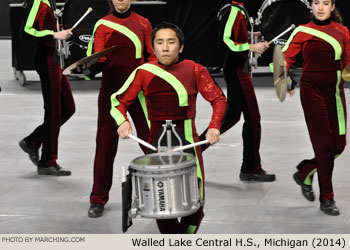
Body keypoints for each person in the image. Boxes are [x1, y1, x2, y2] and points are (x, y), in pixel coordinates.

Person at [112, 22, 227, 233]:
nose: (165, 48)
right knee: (161, 205)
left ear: (181, 47)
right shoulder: (143, 72)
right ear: (153, 47)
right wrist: (123, 121)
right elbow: (117, 101)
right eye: (160, 43)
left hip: (190, 145)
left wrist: (214, 126)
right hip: (155, 148)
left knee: (197, 204)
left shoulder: (194, 69)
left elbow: (218, 99)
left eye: (171, 42)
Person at [86, 0, 156, 218]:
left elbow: (152, 56)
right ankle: (98, 197)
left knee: (150, 141)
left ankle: (161, 191)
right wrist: (93, 67)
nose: (121, 0)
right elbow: (95, 57)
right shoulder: (102, 24)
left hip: (138, 91)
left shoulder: (143, 23)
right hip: (110, 93)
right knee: (105, 144)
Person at [282, 0, 350, 215]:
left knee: (338, 145)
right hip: (311, 91)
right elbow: (283, 59)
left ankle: (305, 171)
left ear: (332, 6)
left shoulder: (343, 31)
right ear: (311, 6)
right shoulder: (302, 31)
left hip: (335, 92)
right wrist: (285, 79)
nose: (320, 7)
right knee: (323, 145)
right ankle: (327, 198)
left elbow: (348, 64)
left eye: (325, 3)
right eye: (316, 3)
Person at [200, 0, 275, 181]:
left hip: (238, 69)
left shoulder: (238, 8)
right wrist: (251, 47)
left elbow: (235, 37)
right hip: (237, 71)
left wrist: (251, 36)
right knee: (253, 119)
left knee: (232, 117)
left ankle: (192, 150)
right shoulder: (233, 9)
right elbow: (224, 42)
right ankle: (251, 168)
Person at [19, 0, 75, 176]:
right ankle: (47, 161)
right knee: (54, 111)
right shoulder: (38, 1)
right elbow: (26, 31)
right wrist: (55, 35)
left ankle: (33, 141)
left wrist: (62, 35)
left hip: (56, 59)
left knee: (68, 108)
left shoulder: (50, 1)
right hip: (46, 59)